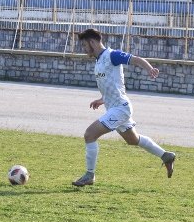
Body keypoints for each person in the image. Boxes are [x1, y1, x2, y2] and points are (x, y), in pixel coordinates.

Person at [71, 28, 175, 187]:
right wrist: (102, 99)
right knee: (133, 140)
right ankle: (166, 155)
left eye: (85, 45)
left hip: (120, 109)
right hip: (115, 107)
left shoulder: (111, 55)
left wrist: (149, 69)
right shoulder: (99, 60)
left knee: (89, 135)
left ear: (92, 42)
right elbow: (113, 85)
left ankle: (89, 175)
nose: (84, 49)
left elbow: (136, 59)